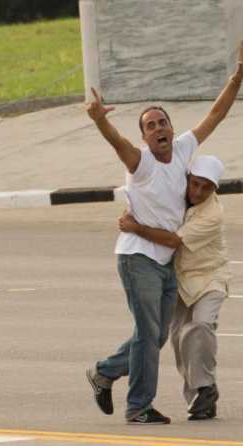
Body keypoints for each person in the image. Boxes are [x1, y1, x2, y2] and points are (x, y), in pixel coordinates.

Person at [84, 44, 243, 424]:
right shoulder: (140, 164)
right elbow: (117, 143)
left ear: (172, 129)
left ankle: (105, 373)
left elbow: (215, 115)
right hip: (138, 257)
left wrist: (237, 79)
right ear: (144, 136)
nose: (158, 129)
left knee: (152, 337)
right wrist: (99, 120)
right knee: (147, 332)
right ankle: (138, 406)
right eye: (150, 125)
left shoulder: (185, 148)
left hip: (164, 262)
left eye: (162, 123)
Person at [119, 155, 230, 421]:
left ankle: (203, 389)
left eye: (206, 187)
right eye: (195, 184)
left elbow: (172, 240)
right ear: (187, 179)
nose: (198, 192)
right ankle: (201, 396)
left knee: (200, 326)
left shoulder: (213, 214)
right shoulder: (177, 194)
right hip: (177, 281)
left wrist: (135, 226)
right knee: (179, 338)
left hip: (208, 278)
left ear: (215, 189)